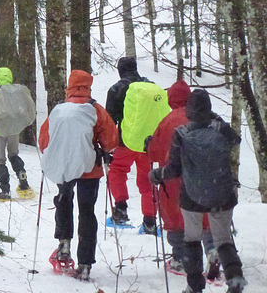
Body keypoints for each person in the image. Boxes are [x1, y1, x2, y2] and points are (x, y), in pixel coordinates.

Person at [149, 89, 246, 293]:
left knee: (191, 240)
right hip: (222, 194)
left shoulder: (181, 134)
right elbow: (236, 139)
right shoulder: (220, 128)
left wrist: (157, 175)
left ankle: (194, 286)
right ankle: (235, 279)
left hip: (192, 196)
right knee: (223, 240)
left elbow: (174, 170)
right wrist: (215, 119)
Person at [38, 70, 119, 281]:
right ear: (88, 86)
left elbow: (44, 140)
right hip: (89, 168)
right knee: (87, 212)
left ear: (69, 87)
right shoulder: (95, 110)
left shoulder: (58, 110)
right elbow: (111, 141)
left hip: (65, 166)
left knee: (64, 201)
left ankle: (63, 244)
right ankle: (85, 263)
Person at [145, 80, 218, 278]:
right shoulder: (204, 119)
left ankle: (181, 259)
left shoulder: (167, 121)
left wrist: (149, 145)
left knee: (175, 218)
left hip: (173, 178)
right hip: (203, 178)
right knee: (205, 216)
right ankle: (212, 250)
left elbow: (156, 153)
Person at [105, 56, 157, 234]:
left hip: (125, 142)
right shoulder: (151, 87)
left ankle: (120, 210)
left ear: (120, 71)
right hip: (147, 144)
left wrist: (106, 146)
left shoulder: (116, 89)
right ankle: (150, 221)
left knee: (117, 170)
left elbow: (110, 122)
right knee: (147, 180)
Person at [0, 67, 31, 200]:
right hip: (14, 129)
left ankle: (5, 188)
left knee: (0, 160)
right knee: (14, 154)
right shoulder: (16, 92)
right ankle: (22, 175)